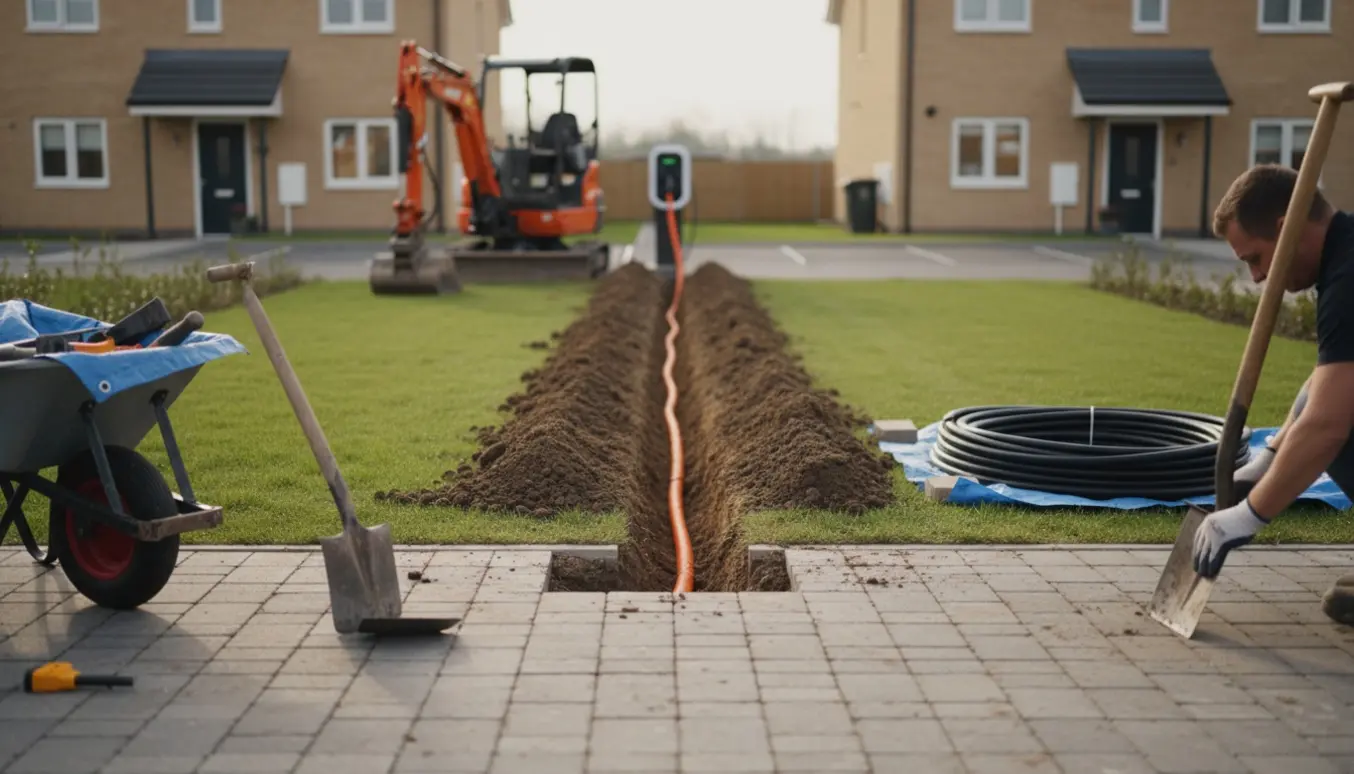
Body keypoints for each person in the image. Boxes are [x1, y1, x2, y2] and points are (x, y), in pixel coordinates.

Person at [1193, 163, 1354, 624]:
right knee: (1318, 405)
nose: (1258, 278)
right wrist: (1270, 455)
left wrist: (1247, 517)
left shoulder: (1348, 282)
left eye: (1255, 259)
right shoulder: (1345, 255)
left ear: (1285, 229)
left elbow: (1327, 425)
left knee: (1335, 430)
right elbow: (1321, 387)